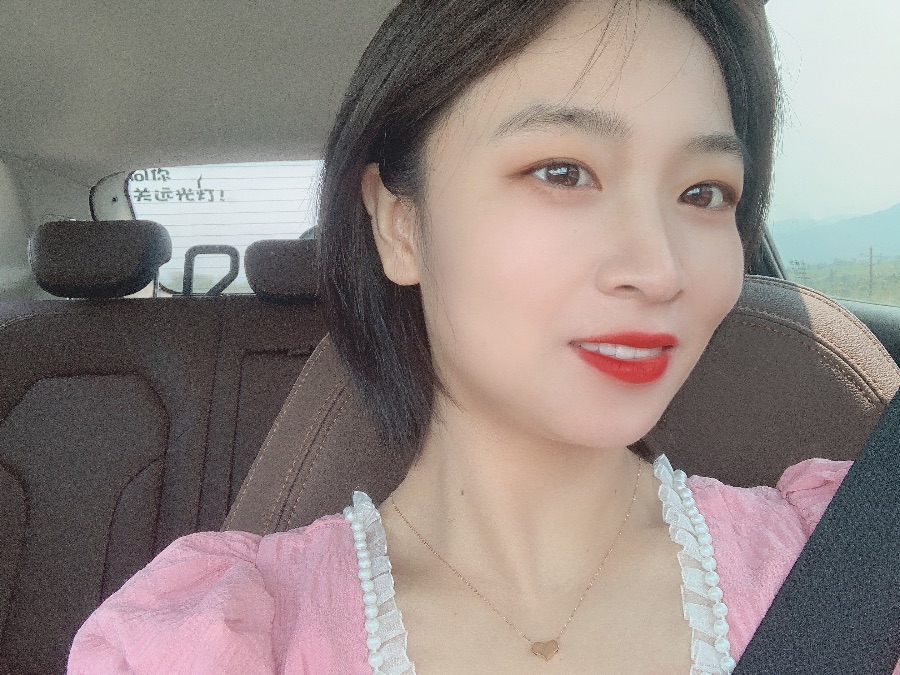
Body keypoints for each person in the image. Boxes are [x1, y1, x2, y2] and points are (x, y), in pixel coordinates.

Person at [68, 1, 893, 673]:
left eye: (704, 192)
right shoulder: (217, 639)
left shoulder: (850, 564)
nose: (660, 267)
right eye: (562, 172)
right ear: (399, 224)